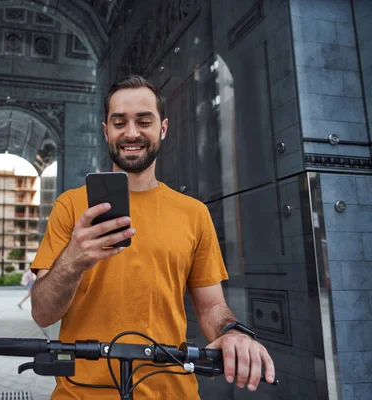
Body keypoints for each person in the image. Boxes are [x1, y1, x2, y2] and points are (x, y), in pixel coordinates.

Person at [29, 75, 275, 399]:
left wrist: (232, 331)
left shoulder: (194, 213)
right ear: (106, 131)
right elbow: (43, 313)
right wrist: (74, 259)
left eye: (144, 121)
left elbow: (211, 306)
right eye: (120, 123)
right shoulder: (71, 206)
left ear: (163, 128)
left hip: (173, 392)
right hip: (81, 394)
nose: (131, 133)